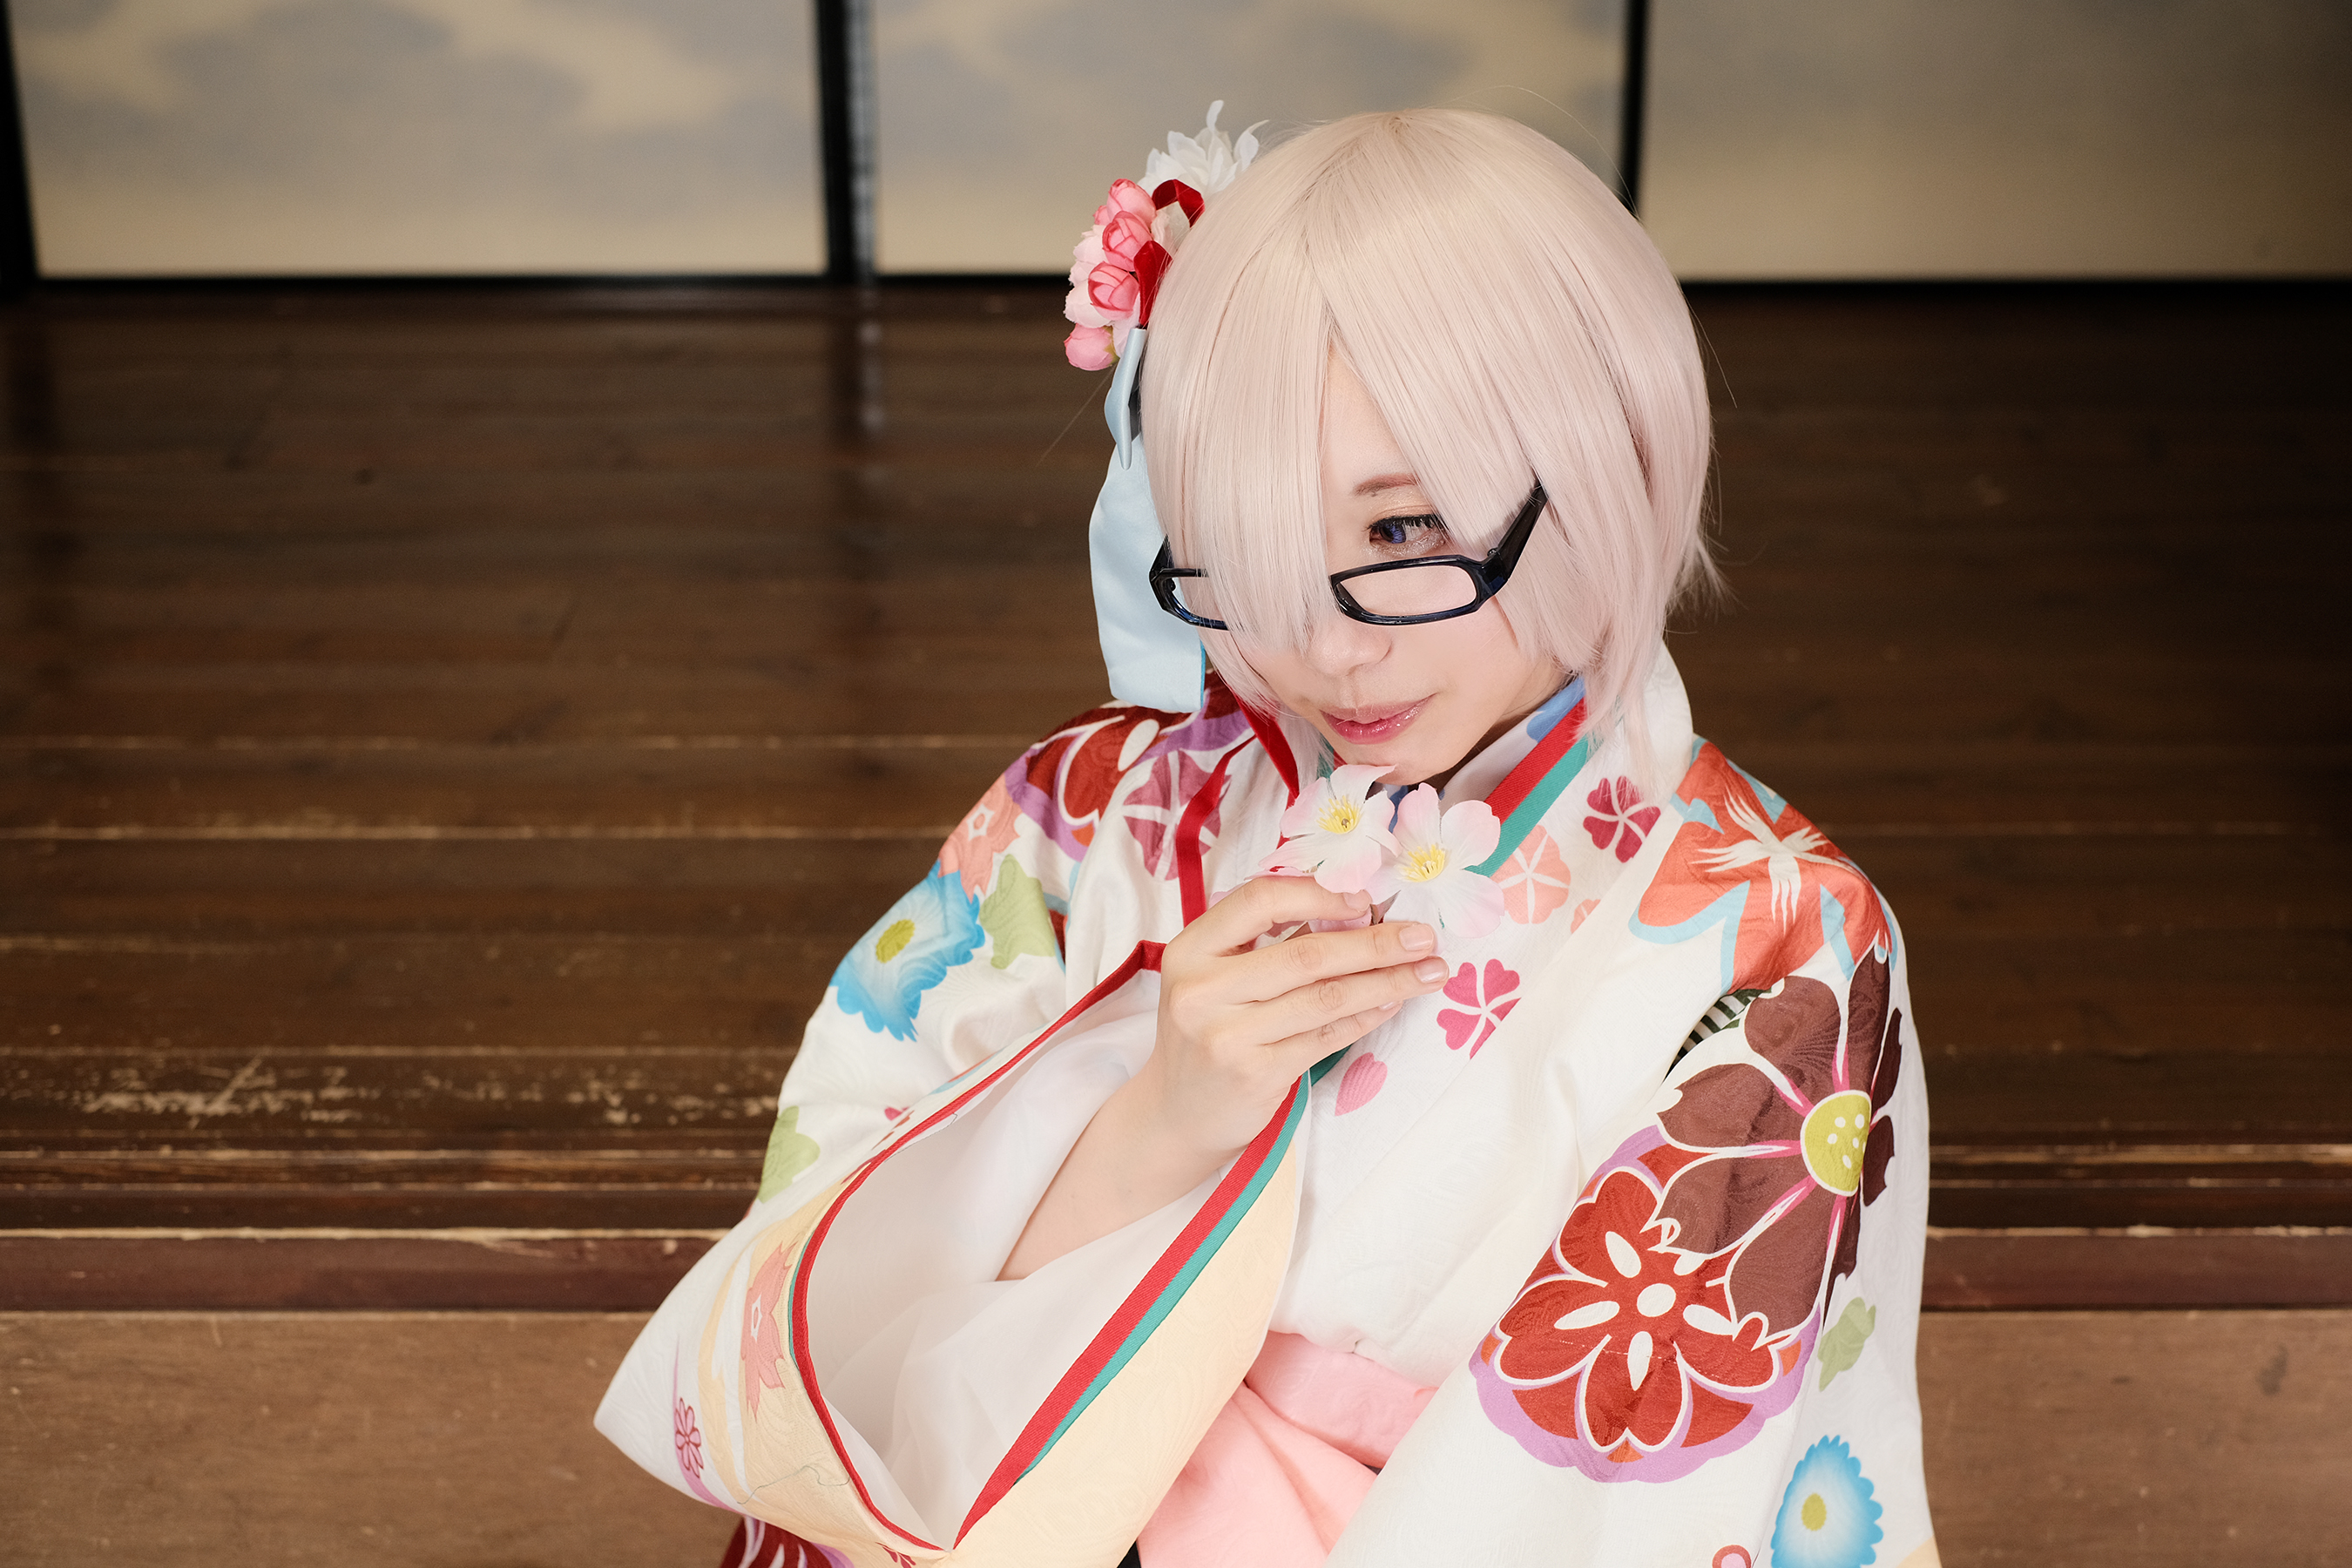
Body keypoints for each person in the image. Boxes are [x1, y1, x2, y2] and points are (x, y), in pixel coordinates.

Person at [598, 105, 1938, 1568]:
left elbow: (1642, 1486)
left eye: (1403, 534)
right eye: (1250, 551)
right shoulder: (1088, 817)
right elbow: (824, 1296)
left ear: (1607, 465)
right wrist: (1156, 1122)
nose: (1324, 648)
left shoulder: (1781, 942)